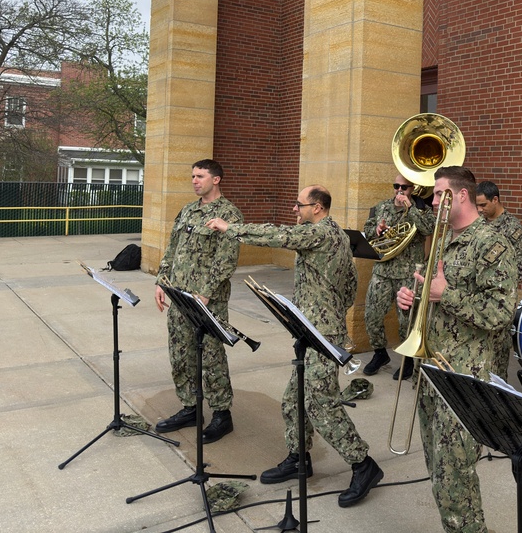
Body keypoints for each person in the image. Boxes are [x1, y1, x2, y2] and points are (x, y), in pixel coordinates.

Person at [205, 185, 383, 508]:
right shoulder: (338, 235)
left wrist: (231, 228)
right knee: (293, 399)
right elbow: (350, 284)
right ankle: (299, 457)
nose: (294, 210)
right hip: (312, 328)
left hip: (322, 334)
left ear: (317, 207)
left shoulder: (320, 233)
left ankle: (363, 464)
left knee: (320, 403)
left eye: (299, 205)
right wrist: (330, 309)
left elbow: (277, 236)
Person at [396, 166, 518, 533]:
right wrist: (411, 299)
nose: (432, 201)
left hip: (463, 374)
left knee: (455, 471)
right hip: (431, 367)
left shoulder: (492, 244)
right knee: (438, 468)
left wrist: (445, 294)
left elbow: (500, 314)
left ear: (461, 195)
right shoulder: (443, 238)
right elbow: (431, 295)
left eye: (438, 194)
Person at [153, 159, 242, 444]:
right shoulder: (188, 210)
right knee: (180, 352)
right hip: (179, 295)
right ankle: (190, 407)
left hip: (208, 301)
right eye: (192, 176)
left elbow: (226, 260)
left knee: (211, 356)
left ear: (216, 179)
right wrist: (161, 281)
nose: (194, 181)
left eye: (200, 176)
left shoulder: (229, 214)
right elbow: (172, 248)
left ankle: (221, 414)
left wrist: (205, 292)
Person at [361, 174, 436, 380]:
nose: (399, 190)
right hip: (382, 271)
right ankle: (379, 353)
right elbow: (367, 230)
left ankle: (408, 360)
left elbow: (429, 229)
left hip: (408, 273)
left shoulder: (422, 209)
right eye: (396, 186)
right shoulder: (381, 207)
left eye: (404, 187)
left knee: (406, 321)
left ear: (413, 188)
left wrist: (410, 208)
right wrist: (377, 230)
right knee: (372, 315)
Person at [475, 180, 522, 378]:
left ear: (495, 200)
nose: (479, 209)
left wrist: (498, 285)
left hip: (500, 302)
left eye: (483, 205)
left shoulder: (512, 228)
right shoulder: (478, 224)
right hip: (477, 301)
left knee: (497, 360)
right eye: (477, 205)